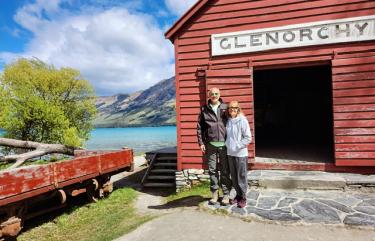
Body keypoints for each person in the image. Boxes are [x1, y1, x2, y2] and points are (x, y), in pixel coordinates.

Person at [197, 87, 231, 205]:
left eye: (216, 94)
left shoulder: (226, 108)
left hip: (224, 145)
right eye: (212, 94)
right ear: (209, 95)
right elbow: (200, 127)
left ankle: (226, 194)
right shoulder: (204, 109)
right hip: (210, 144)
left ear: (219, 95)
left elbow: (233, 123)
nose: (214, 95)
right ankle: (215, 193)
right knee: (212, 170)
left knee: (225, 170)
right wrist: (201, 143)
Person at [225, 101, 252, 208]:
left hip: (240, 153)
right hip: (230, 153)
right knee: (234, 177)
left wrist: (236, 146)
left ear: (238, 109)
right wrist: (228, 145)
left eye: (235, 107)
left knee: (241, 176)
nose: (233, 109)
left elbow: (248, 138)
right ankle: (238, 195)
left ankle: (244, 197)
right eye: (230, 107)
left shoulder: (243, 120)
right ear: (228, 109)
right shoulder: (228, 121)